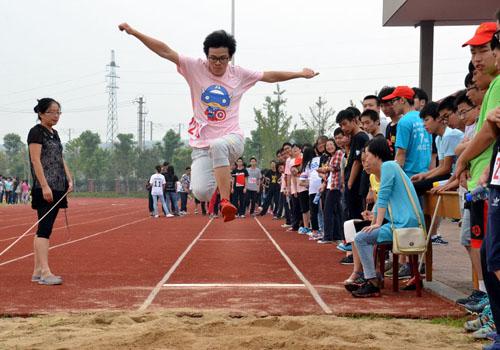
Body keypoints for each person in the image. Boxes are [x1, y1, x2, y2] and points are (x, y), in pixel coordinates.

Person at [119, 23, 318, 222]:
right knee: (201, 193)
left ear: (229, 57)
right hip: (202, 146)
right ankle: (220, 172)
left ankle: (225, 201)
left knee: (218, 145)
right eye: (213, 58)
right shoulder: (194, 67)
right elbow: (165, 51)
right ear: (206, 56)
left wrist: (300, 73)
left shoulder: (239, 74)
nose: (217, 63)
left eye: (222, 58)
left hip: (232, 139)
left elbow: (269, 76)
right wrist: (135, 32)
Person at [349, 137, 424, 298]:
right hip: (400, 223)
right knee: (362, 235)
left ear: (377, 155)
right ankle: (373, 276)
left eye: (367, 157)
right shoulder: (388, 170)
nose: (365, 162)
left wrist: (376, 223)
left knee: (361, 238)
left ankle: (372, 280)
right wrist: (373, 217)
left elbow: (383, 196)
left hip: (404, 224)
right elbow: (383, 201)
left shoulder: (389, 166)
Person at [28, 98, 73, 286]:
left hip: (58, 185)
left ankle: (37, 271)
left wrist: (69, 178)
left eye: (58, 112)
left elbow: (60, 158)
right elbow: (36, 160)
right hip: (45, 187)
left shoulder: (54, 134)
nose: (56, 116)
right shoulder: (36, 132)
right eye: (52, 112)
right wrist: (45, 185)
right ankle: (45, 272)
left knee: (44, 229)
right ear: (41, 113)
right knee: (44, 229)